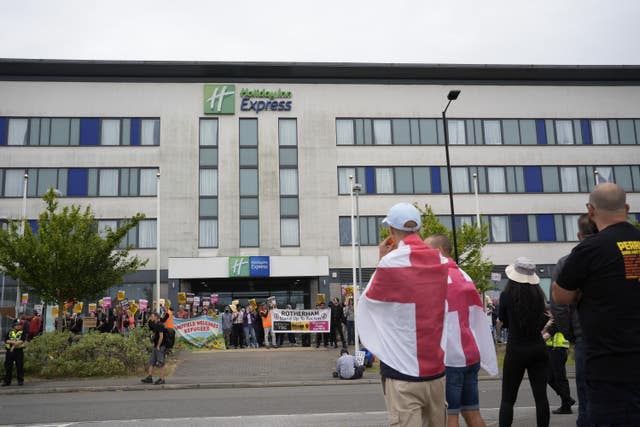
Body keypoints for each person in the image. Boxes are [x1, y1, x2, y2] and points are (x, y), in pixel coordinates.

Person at [553, 183, 640, 425]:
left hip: (606, 361)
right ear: (627, 208)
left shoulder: (588, 250)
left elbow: (561, 297)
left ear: (591, 210)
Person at [357, 202, 449, 427]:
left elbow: (368, 302)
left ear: (390, 231)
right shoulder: (440, 260)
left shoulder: (390, 263)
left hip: (402, 372)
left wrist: (381, 260)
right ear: (419, 229)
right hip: (436, 371)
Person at [425, 233, 498, 427]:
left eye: (426, 250)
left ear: (439, 251)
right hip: (471, 353)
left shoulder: (436, 277)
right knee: (472, 412)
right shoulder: (465, 276)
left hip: (450, 357)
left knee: (450, 416)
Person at [550, 213, 596, 425]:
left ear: (579, 234)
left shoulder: (567, 262)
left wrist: (570, 333)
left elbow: (558, 305)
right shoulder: (612, 254)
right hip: (618, 333)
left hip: (583, 335)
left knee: (587, 396)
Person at [498, 257, 549, 427]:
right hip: (537, 347)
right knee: (541, 398)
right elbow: (543, 320)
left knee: (508, 399)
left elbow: (503, 320)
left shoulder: (506, 295)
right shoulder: (539, 295)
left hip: (516, 348)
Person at [541, 308, 575, 415]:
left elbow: (544, 337)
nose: (547, 314)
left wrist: (546, 326)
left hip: (558, 350)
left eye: (549, 312)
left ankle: (566, 405)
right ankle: (567, 399)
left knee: (560, 378)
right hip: (552, 350)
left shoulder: (557, 322)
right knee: (550, 377)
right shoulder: (552, 322)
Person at [141, 312, 167, 385]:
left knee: (161, 363)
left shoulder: (160, 325)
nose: (151, 317)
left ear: (156, 317)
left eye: (152, 316)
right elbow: (148, 325)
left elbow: (161, 336)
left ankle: (162, 379)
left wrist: (158, 345)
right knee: (152, 361)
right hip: (156, 346)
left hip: (160, 346)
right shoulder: (155, 324)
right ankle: (149, 377)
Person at [3, 321, 26, 386]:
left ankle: (20, 380)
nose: (19, 326)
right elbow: (6, 340)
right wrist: (14, 342)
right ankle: (7, 381)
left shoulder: (22, 332)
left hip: (19, 351)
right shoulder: (9, 332)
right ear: (14, 326)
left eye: (20, 325)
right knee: (8, 366)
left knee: (19, 366)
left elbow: (21, 341)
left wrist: (13, 343)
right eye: (17, 325)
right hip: (9, 352)